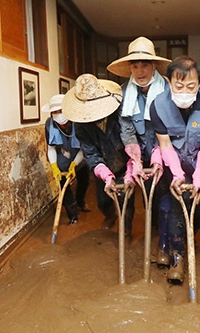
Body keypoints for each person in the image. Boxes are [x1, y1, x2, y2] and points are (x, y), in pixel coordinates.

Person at [150, 55, 200, 283]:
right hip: (174, 163)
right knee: (172, 206)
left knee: (199, 209)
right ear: (169, 82)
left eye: (191, 86)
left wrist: (199, 176)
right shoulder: (158, 105)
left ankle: (184, 239)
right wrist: (178, 174)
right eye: (178, 86)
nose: (184, 91)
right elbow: (165, 145)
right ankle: (177, 258)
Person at [107, 36, 173, 267]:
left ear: (154, 65)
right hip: (136, 150)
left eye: (145, 64)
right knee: (137, 193)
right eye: (135, 65)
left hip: (165, 149)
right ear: (130, 68)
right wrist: (135, 157)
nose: (140, 70)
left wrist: (158, 154)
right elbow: (126, 127)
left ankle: (162, 240)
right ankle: (138, 231)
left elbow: (169, 127)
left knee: (162, 195)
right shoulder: (125, 92)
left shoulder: (168, 89)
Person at [62, 74, 135, 237]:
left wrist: (131, 168)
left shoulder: (121, 113)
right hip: (103, 166)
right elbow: (90, 153)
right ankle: (110, 216)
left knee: (125, 201)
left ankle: (127, 229)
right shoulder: (80, 124)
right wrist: (106, 175)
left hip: (125, 164)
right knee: (102, 201)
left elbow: (133, 143)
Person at [42, 94, 91, 225]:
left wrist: (75, 164)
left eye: (60, 111)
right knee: (63, 185)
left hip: (79, 155)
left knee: (84, 180)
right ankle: (72, 214)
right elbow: (51, 147)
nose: (57, 114)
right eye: (54, 112)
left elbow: (83, 148)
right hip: (62, 156)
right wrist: (54, 166)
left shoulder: (79, 122)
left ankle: (80, 201)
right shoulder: (50, 124)